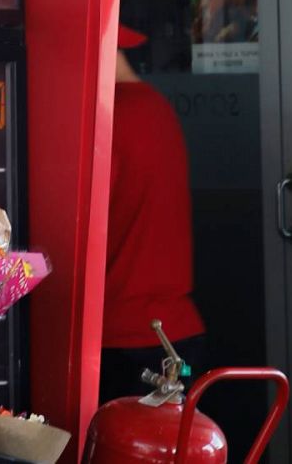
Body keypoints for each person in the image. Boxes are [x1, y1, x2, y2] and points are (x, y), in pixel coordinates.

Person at [99, 24, 207, 404]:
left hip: (124, 339)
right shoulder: (158, 110)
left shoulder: (111, 119)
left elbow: (78, 225)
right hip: (176, 334)